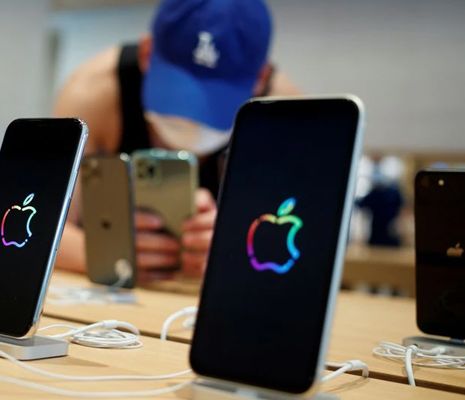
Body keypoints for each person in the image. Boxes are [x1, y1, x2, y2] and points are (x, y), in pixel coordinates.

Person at [54, 0, 301, 278]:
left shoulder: (285, 113)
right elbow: (43, 229)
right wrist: (105, 251)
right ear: (147, 53)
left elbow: (303, 246)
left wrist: (236, 246)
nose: (192, 125)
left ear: (260, 78)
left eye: (215, 105)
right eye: (175, 100)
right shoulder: (96, 92)